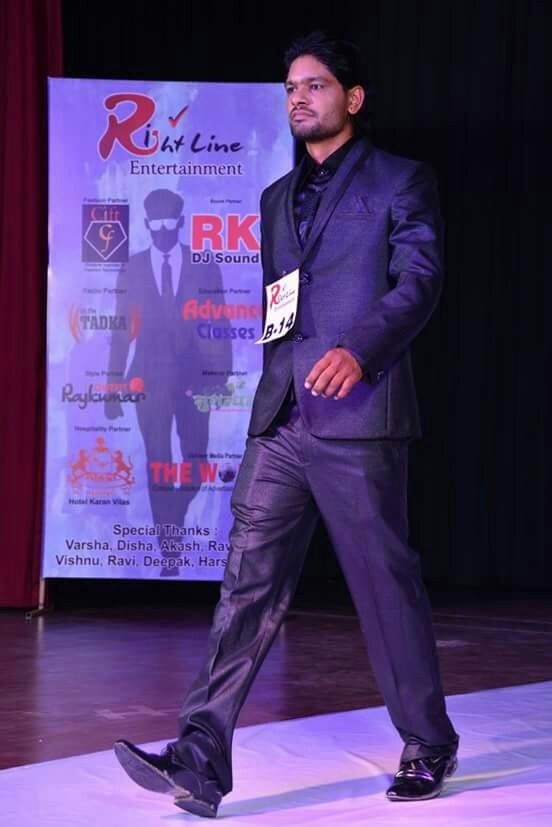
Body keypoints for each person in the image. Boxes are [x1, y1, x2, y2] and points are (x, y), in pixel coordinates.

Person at [114, 32, 459, 816]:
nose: (299, 98)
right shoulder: (275, 199)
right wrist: (274, 386)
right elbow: (283, 307)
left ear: (352, 98)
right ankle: (200, 755)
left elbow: (420, 281)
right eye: (292, 88)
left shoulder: (400, 179)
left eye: (316, 85)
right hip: (281, 421)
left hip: (359, 416)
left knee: (384, 585)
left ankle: (427, 741)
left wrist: (360, 350)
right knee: (246, 585)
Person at [105, 189, 232, 576]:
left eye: (169, 223)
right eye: (155, 224)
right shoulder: (132, 268)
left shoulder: (204, 265)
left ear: (181, 223)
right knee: (158, 462)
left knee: (197, 461)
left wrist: (219, 378)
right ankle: (170, 552)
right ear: (147, 225)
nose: (162, 230)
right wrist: (112, 386)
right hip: (148, 379)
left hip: (195, 380)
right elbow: (121, 331)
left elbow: (219, 323)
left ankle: (172, 516)